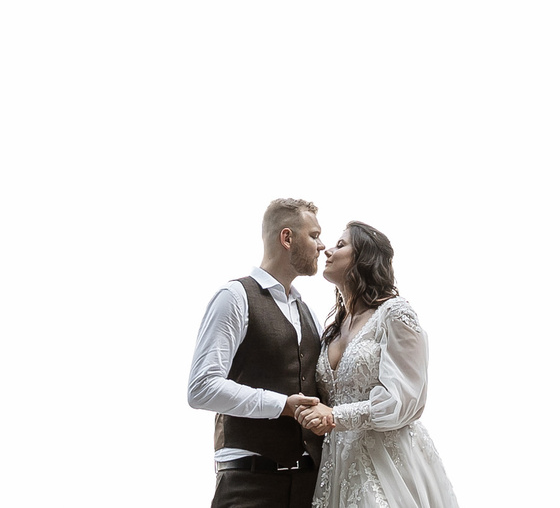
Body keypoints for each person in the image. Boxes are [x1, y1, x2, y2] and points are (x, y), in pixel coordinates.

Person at [297, 221, 460, 508]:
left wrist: (335, 416)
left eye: (341, 244)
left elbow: (404, 402)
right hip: (338, 466)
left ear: (364, 258)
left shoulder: (395, 314)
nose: (328, 251)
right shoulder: (333, 328)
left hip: (387, 465)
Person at [188, 199, 333, 508]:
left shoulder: (308, 312)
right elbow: (201, 388)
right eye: (314, 235)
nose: (322, 246)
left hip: (308, 487)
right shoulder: (234, 297)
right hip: (249, 485)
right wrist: (282, 405)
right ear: (287, 238)